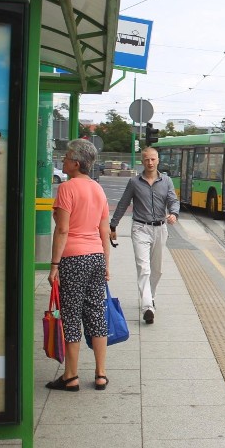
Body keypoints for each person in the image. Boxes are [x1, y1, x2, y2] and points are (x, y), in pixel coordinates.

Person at [47, 139, 111, 392]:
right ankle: (101, 374)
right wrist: (106, 264)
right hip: (96, 256)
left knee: (71, 315)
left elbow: (62, 230)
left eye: (65, 157)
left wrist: (54, 265)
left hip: (73, 258)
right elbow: (104, 231)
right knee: (96, 313)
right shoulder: (98, 188)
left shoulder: (67, 188)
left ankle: (71, 376)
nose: (62, 161)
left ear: (76, 162)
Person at [110, 146, 179, 325]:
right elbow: (124, 203)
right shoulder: (134, 182)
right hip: (140, 228)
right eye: (146, 159)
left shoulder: (167, 181)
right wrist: (113, 225)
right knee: (144, 268)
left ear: (158, 160)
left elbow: (173, 200)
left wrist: (174, 213)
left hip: (160, 229)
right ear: (142, 161)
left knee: (157, 270)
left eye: (153, 159)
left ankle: (151, 296)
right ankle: (147, 306)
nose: (150, 162)